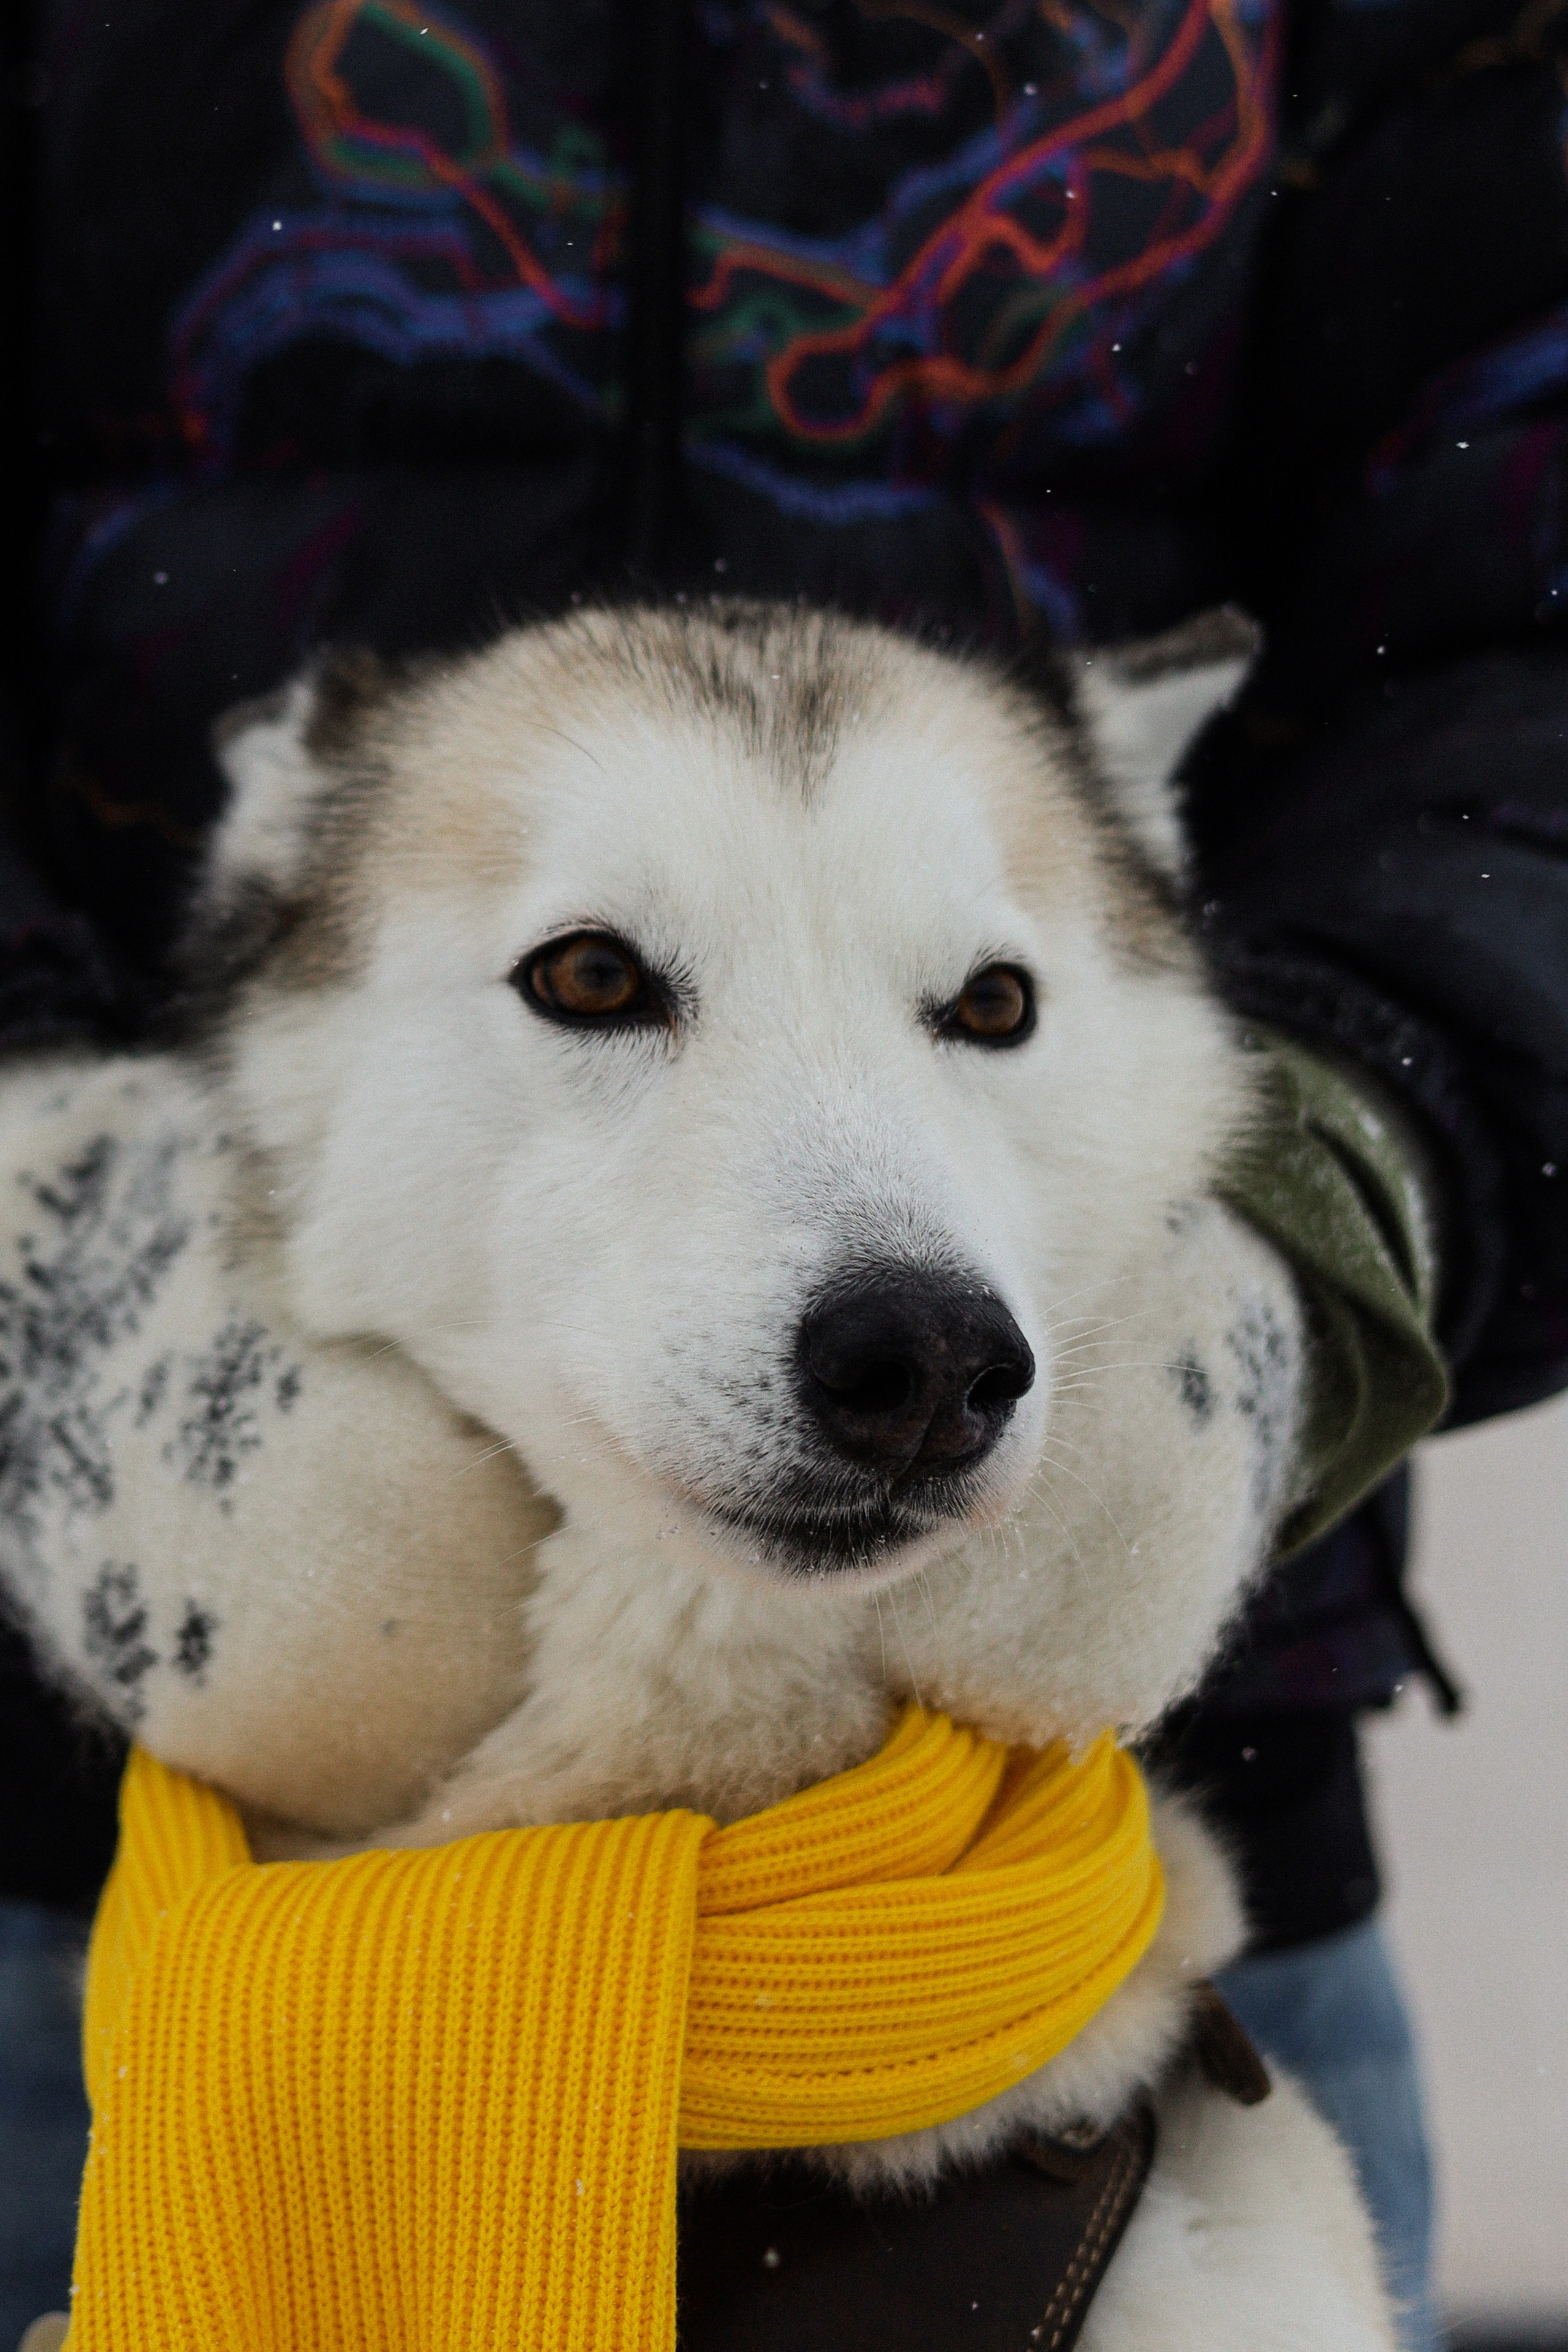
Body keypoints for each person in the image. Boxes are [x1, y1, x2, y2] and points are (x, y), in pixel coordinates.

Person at [2, 2, 1566, 2345]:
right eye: (603, 981)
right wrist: (34, 1209)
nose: (919, 1311)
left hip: (1092, 1886)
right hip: (95, 1942)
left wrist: (1333, 1223)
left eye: (988, 1010)